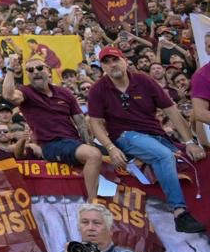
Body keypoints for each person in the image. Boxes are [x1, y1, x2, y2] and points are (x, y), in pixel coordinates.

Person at [86, 47, 207, 233]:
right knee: (163, 156)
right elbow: (95, 123)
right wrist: (110, 147)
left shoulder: (144, 80)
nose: (112, 65)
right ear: (102, 67)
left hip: (157, 136)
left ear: (124, 61)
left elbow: (172, 111)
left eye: (115, 60)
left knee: (199, 157)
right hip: (125, 136)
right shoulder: (98, 89)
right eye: (106, 62)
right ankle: (180, 213)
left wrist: (190, 142)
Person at [1, 53, 103, 200]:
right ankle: (94, 203)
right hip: (51, 145)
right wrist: (11, 68)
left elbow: (81, 123)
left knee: (103, 154)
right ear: (27, 75)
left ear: (48, 71)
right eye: (30, 70)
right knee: (93, 155)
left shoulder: (64, 92)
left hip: (73, 143)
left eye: (39, 68)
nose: (35, 72)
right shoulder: (26, 92)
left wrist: (88, 144)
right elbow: (8, 95)